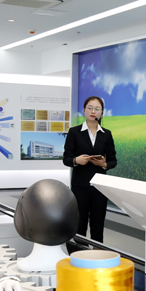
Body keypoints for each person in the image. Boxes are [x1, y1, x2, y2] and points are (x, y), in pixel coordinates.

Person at [63, 96, 117, 243]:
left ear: (102, 112)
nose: (93, 111)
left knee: (98, 225)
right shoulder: (74, 132)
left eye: (97, 109)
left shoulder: (106, 134)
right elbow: (66, 159)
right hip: (80, 186)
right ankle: (79, 254)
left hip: (100, 187)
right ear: (84, 110)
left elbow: (113, 161)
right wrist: (76, 161)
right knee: (79, 225)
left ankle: (97, 254)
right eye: (90, 108)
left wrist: (103, 164)